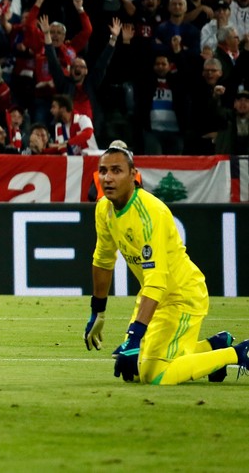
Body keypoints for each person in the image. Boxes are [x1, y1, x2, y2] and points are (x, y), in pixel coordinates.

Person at [84, 145, 249, 384]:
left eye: (116, 170)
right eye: (103, 171)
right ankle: (214, 346)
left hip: (182, 296)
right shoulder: (104, 209)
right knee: (133, 371)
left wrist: (134, 336)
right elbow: (103, 259)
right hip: (154, 297)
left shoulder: (150, 213)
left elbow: (156, 280)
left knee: (156, 375)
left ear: (133, 175)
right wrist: (97, 311)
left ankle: (238, 352)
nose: (108, 178)